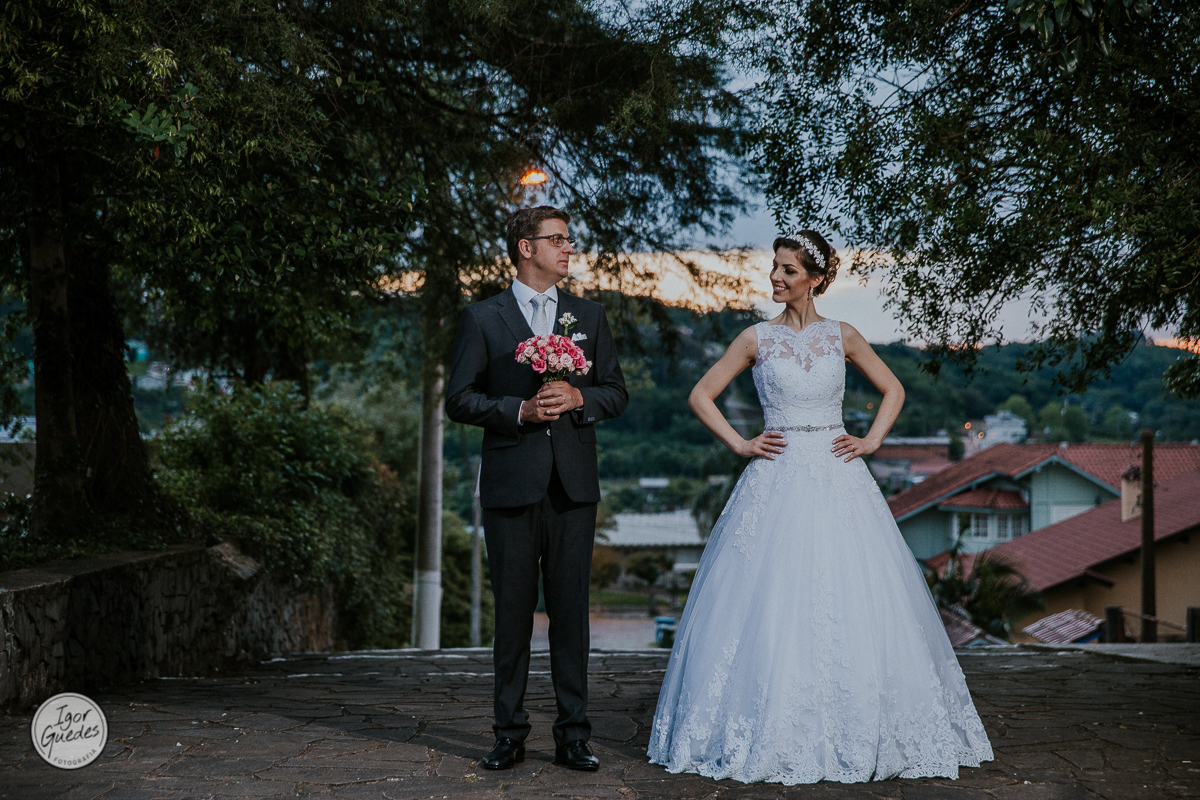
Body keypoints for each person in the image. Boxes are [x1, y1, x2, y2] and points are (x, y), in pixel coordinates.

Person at [646, 230, 993, 784]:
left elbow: (894, 390)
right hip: (775, 473)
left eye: (788, 270)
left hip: (838, 471)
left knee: (849, 591)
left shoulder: (842, 335)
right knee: (772, 597)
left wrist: (872, 441)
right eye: (775, 268)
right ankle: (773, 722)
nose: (776, 278)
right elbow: (700, 395)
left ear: (815, 278)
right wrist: (741, 443)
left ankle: (856, 719)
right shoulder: (755, 338)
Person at [446, 205, 628, 772]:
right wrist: (517, 409)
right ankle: (509, 733)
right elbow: (459, 399)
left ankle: (574, 735)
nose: (569, 249)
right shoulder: (482, 318)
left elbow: (616, 392)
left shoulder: (589, 315)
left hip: (573, 487)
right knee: (513, 617)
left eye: (569, 240)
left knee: (571, 616)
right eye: (558, 240)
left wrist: (580, 399)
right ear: (526, 248)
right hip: (509, 487)